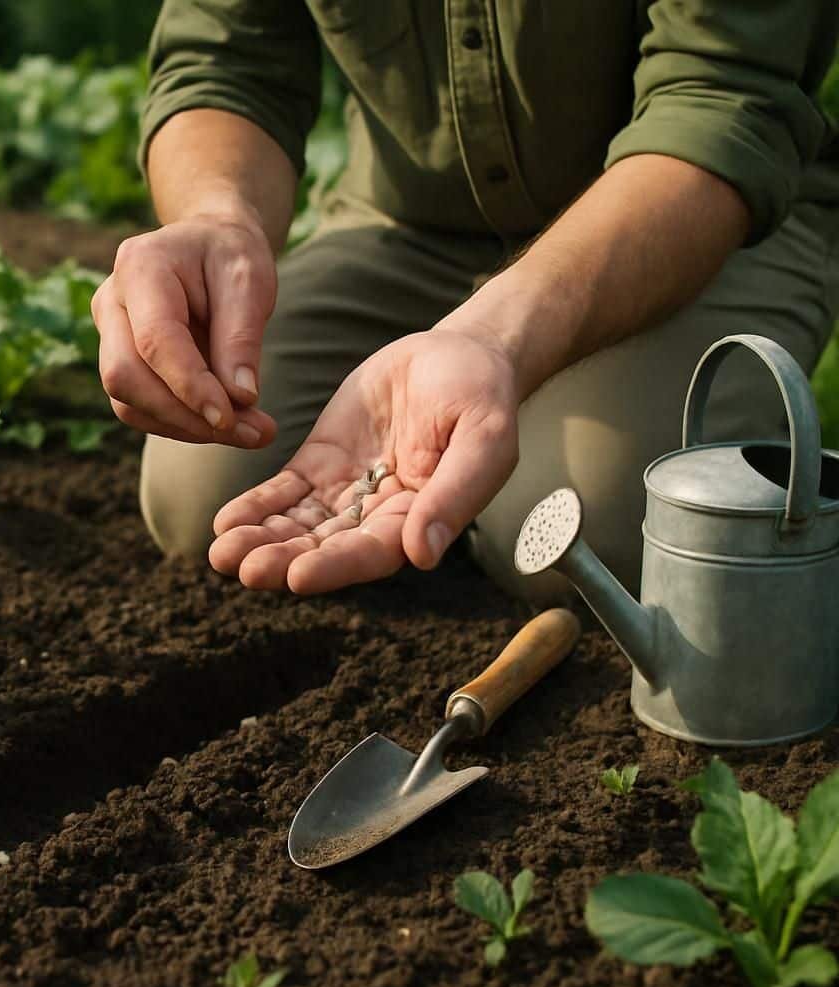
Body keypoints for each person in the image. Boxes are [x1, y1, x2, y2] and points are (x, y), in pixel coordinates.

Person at [94, 1, 839, 601]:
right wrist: (219, 218)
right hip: (410, 224)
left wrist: (493, 339)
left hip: (686, 226)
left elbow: (719, 102)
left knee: (579, 531)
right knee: (205, 488)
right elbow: (225, 63)